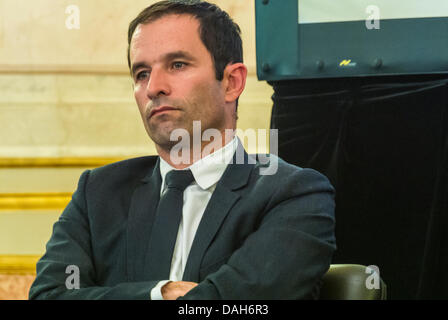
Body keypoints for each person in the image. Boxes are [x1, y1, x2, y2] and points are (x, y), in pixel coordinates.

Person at [29, 0, 336, 300]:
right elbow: (49, 295)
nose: (154, 87)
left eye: (177, 65)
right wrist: (160, 294)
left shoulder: (295, 194)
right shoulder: (97, 192)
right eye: (142, 73)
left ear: (232, 82)